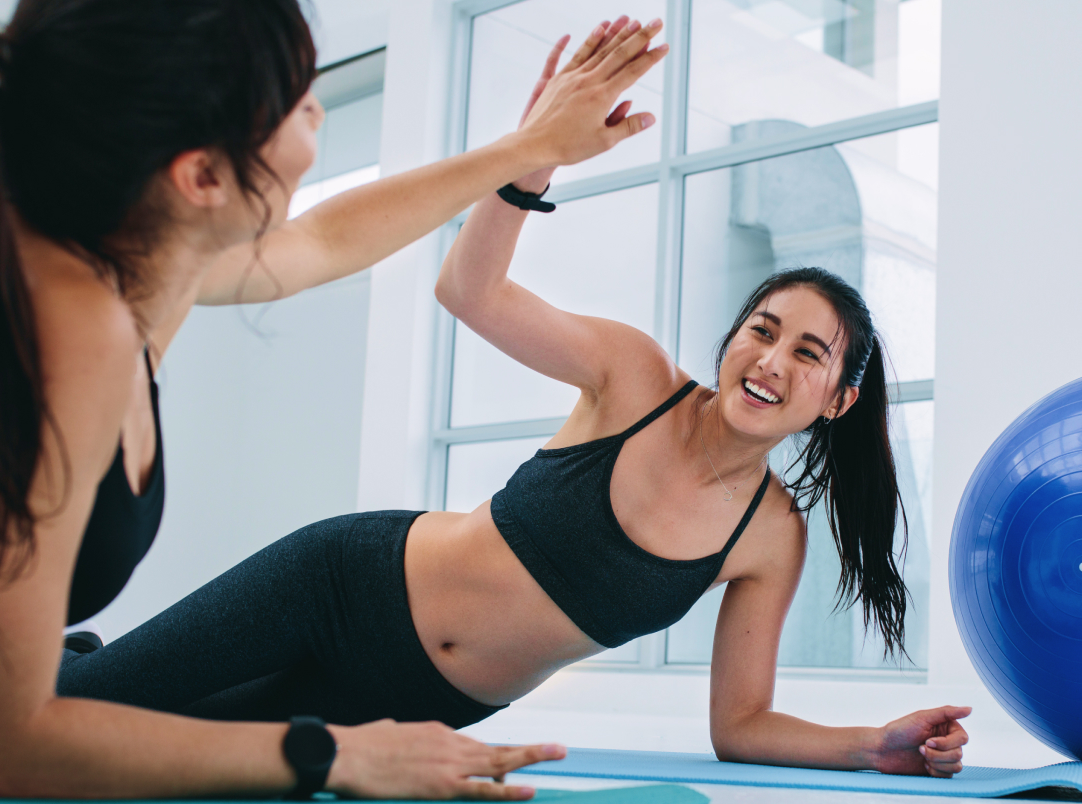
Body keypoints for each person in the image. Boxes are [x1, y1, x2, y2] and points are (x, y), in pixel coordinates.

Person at [54, 40, 972, 782]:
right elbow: (469, 288)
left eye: (807, 353)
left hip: (423, 711)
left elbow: (741, 725)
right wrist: (530, 162)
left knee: (133, 771)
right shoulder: (635, 377)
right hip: (339, 590)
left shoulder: (769, 537)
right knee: (71, 719)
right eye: (761, 329)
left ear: (840, 399)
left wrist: (869, 743)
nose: (769, 359)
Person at [0, 0, 668, 796]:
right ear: (201, 177)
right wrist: (337, 756)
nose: (318, 110)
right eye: (297, 99)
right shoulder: (67, 332)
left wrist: (530, 148)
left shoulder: (137, 256)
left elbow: (322, 240)